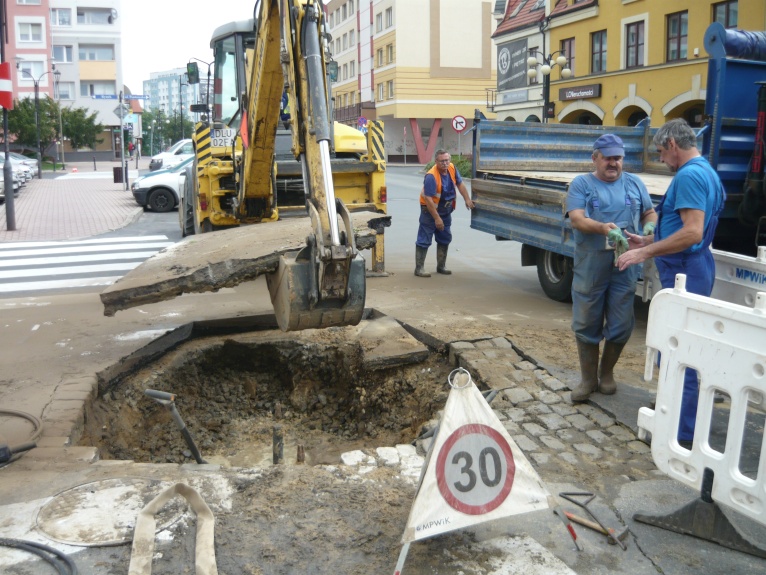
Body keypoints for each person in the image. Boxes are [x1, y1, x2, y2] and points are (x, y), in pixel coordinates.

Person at [617, 118, 725, 447]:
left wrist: (646, 251)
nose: (662, 159)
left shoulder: (690, 174)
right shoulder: (707, 170)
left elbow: (692, 231)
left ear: (673, 146)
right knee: (681, 350)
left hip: (684, 270)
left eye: (661, 153)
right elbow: (689, 230)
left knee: (681, 354)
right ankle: (674, 413)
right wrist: (646, 241)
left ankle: (680, 434)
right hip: (693, 265)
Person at [566, 134, 656, 402]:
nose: (613, 163)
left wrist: (650, 226)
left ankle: (607, 374)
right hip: (591, 264)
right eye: (608, 158)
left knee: (620, 323)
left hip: (624, 264)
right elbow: (577, 219)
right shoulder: (582, 184)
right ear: (595, 158)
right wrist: (604, 228)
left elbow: (648, 212)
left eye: (618, 158)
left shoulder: (634, 183)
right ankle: (587, 379)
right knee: (586, 321)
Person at [415, 149, 475, 277]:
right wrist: (437, 218)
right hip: (429, 211)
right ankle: (419, 268)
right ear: (436, 161)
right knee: (425, 238)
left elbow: (460, 183)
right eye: (442, 161)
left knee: (445, 237)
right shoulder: (431, 176)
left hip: (446, 210)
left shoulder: (452, 168)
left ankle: (441, 266)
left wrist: (467, 199)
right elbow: (428, 199)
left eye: (447, 160)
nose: (445, 163)